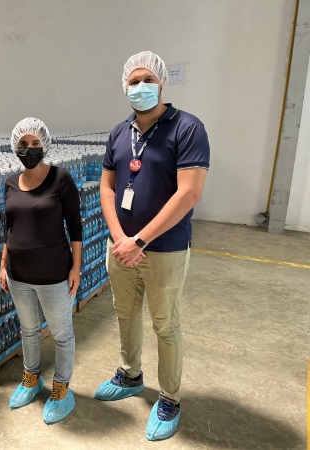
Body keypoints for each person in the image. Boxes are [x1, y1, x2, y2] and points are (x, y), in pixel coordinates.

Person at [95, 51, 210, 441]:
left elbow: (189, 193)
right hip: (121, 247)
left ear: (161, 83)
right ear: (124, 87)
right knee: (125, 315)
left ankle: (169, 398)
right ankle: (130, 375)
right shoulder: (119, 133)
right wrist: (119, 238)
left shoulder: (187, 128)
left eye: (147, 80)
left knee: (165, 324)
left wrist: (141, 240)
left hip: (165, 249)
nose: (140, 87)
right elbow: (107, 188)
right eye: (133, 81)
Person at [0, 117, 82, 424]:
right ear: (15, 147)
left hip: (54, 274)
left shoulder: (61, 179)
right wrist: (3, 264)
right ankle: (31, 378)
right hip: (18, 274)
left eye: (35, 143)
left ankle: (61, 388)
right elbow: (9, 228)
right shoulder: (10, 182)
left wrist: (76, 268)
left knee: (61, 334)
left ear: (44, 144)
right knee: (29, 329)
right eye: (23, 144)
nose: (29, 149)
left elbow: (75, 226)